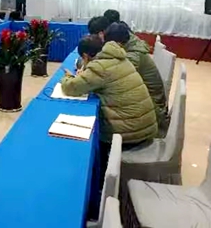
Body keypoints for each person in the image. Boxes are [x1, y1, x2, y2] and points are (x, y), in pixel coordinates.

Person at [61, 34, 158, 183]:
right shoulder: (119, 57)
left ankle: (100, 182)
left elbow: (71, 88)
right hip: (145, 126)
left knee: (92, 141)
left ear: (85, 56)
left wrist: (67, 77)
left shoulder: (99, 67)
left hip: (130, 134)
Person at [105, 22, 169, 136]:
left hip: (153, 110)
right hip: (151, 102)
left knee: (106, 112)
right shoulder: (133, 45)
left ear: (117, 44)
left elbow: (114, 78)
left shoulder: (133, 56)